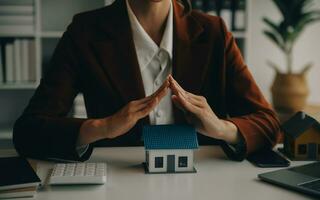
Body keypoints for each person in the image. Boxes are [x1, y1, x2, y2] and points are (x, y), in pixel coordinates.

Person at [13, 0, 280, 161]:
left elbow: (269, 125)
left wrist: (221, 128)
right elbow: (28, 132)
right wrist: (101, 128)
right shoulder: (84, 32)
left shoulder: (214, 33)